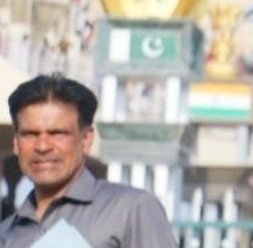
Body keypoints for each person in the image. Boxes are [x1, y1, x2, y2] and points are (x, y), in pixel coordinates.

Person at [0, 74, 177, 246]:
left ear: (86, 139)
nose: (43, 146)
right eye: (30, 134)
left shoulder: (131, 210)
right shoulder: (6, 233)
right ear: (16, 143)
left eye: (57, 133)